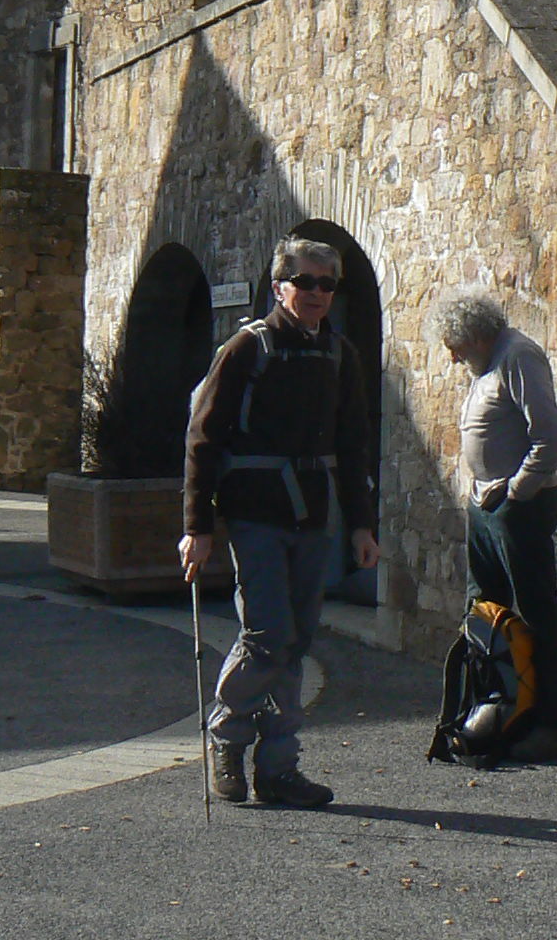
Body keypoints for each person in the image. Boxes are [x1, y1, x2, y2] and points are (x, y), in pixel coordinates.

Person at [180, 222, 380, 810]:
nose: (317, 292)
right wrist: (196, 528)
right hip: (255, 513)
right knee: (268, 635)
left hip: (313, 515)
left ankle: (277, 767)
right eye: (304, 281)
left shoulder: (339, 354)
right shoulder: (247, 349)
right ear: (279, 286)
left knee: (296, 641)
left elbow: (354, 445)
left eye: (327, 284)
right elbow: (203, 440)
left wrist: (362, 524)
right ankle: (226, 737)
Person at [434, 288, 557, 761]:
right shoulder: (487, 364)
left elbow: (551, 438)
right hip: (487, 504)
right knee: (484, 612)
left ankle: (549, 725)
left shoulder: (517, 356)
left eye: (455, 346)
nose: (453, 358)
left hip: (518, 507)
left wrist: (516, 491)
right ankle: (492, 712)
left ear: (474, 335)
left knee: (535, 614)